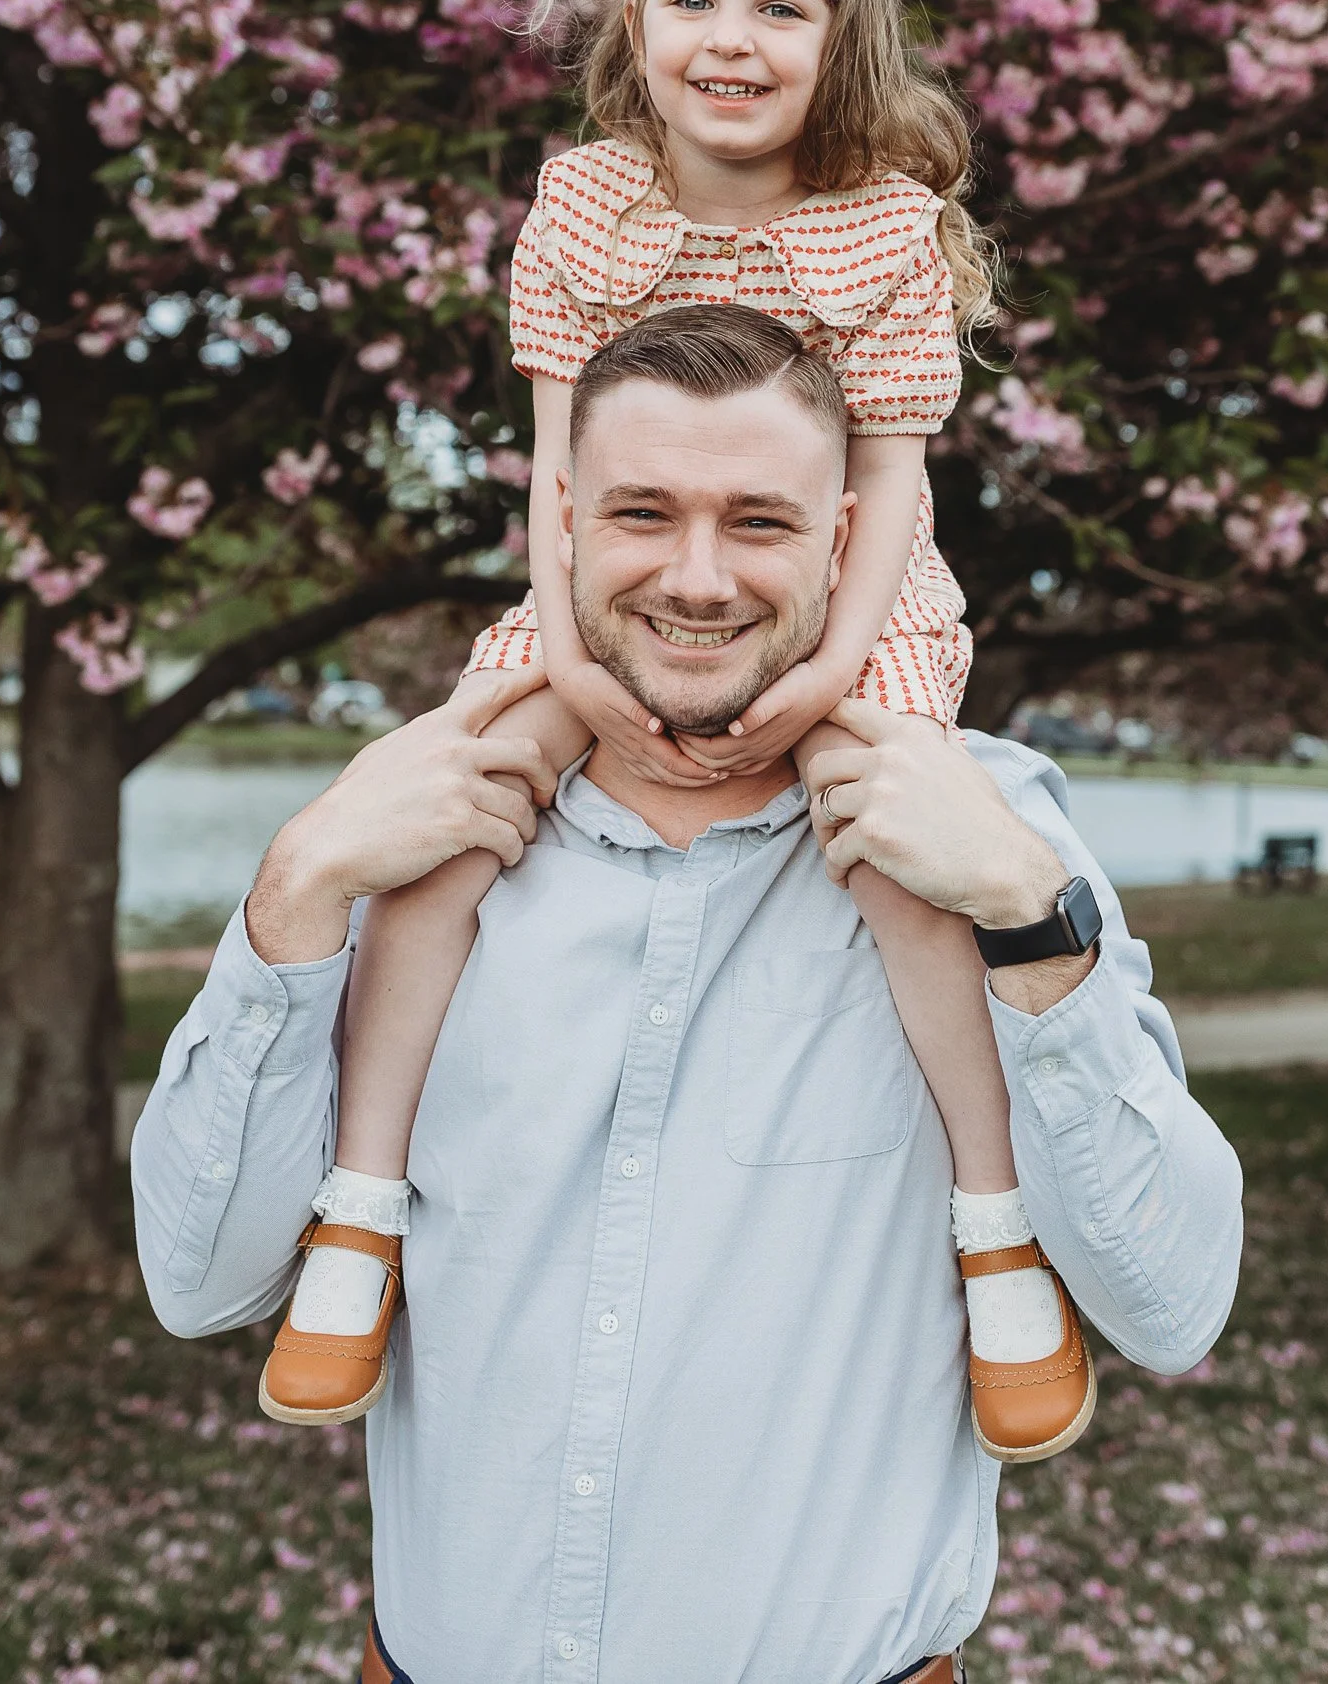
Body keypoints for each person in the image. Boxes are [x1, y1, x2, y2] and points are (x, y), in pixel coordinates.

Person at [132, 304, 1244, 1684]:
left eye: (760, 522)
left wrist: (1025, 911)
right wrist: (297, 887)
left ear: (846, 539)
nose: (699, 579)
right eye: (643, 513)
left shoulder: (987, 832)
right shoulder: (407, 827)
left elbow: (1168, 1308)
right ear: (564, 521)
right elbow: (199, 1285)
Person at [260, 0, 1089, 1456]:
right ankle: (360, 1209)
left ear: (841, 39)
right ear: (634, 22)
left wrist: (829, 675)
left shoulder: (878, 227)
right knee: (451, 811)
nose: (732, 40)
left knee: (901, 847)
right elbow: (555, 468)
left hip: (844, 591)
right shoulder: (584, 204)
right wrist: (568, 664)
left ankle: (993, 1229)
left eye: (780, 7)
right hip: (609, 583)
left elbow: (888, 476)